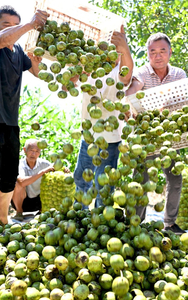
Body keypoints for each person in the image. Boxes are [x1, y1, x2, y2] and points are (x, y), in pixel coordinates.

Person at [0, 5, 48, 231]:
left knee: (8, 177)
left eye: (16, 25)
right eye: (8, 24)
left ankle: (3, 219)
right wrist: (28, 25)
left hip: (11, 124)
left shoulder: (18, 52)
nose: (13, 30)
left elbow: (37, 72)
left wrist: (35, 54)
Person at [126, 32, 187, 234]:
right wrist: (129, 101)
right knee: (140, 179)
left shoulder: (179, 75)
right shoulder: (143, 72)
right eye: (153, 52)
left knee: (175, 179)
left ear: (170, 52)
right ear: (148, 54)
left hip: (170, 138)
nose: (158, 56)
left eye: (162, 51)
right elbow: (135, 87)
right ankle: (135, 221)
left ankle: (170, 223)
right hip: (146, 137)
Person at [73, 25, 133, 208]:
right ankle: (80, 216)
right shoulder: (90, 70)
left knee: (103, 184)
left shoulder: (118, 73)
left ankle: (101, 219)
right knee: (80, 178)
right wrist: (78, 71)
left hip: (110, 140)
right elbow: (68, 85)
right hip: (88, 137)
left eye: (116, 52)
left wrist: (124, 46)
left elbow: (127, 72)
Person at [11, 139, 54, 221]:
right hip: (23, 202)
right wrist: (42, 172)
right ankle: (19, 212)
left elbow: (57, 170)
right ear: (25, 150)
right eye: (31, 150)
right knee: (17, 183)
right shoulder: (20, 164)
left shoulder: (45, 164)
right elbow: (22, 182)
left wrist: (64, 169)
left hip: (39, 201)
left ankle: (43, 210)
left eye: (37, 151)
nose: (34, 154)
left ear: (40, 152)